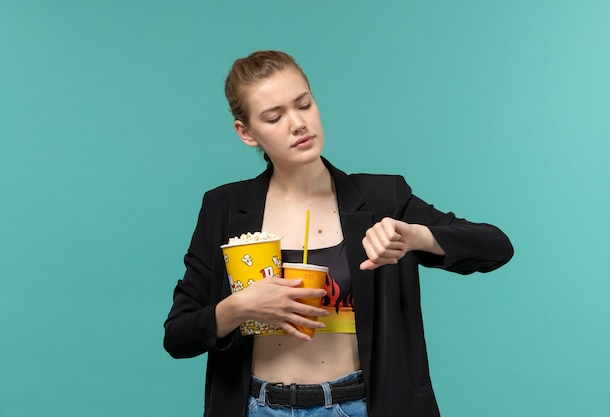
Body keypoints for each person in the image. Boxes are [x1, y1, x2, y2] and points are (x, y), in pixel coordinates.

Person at [163, 50, 514, 417]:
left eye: (304, 104)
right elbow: (178, 334)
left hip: (360, 406)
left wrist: (416, 237)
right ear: (247, 132)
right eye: (274, 117)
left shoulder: (382, 199)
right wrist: (239, 307)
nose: (297, 123)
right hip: (258, 407)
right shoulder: (224, 208)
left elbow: (496, 247)